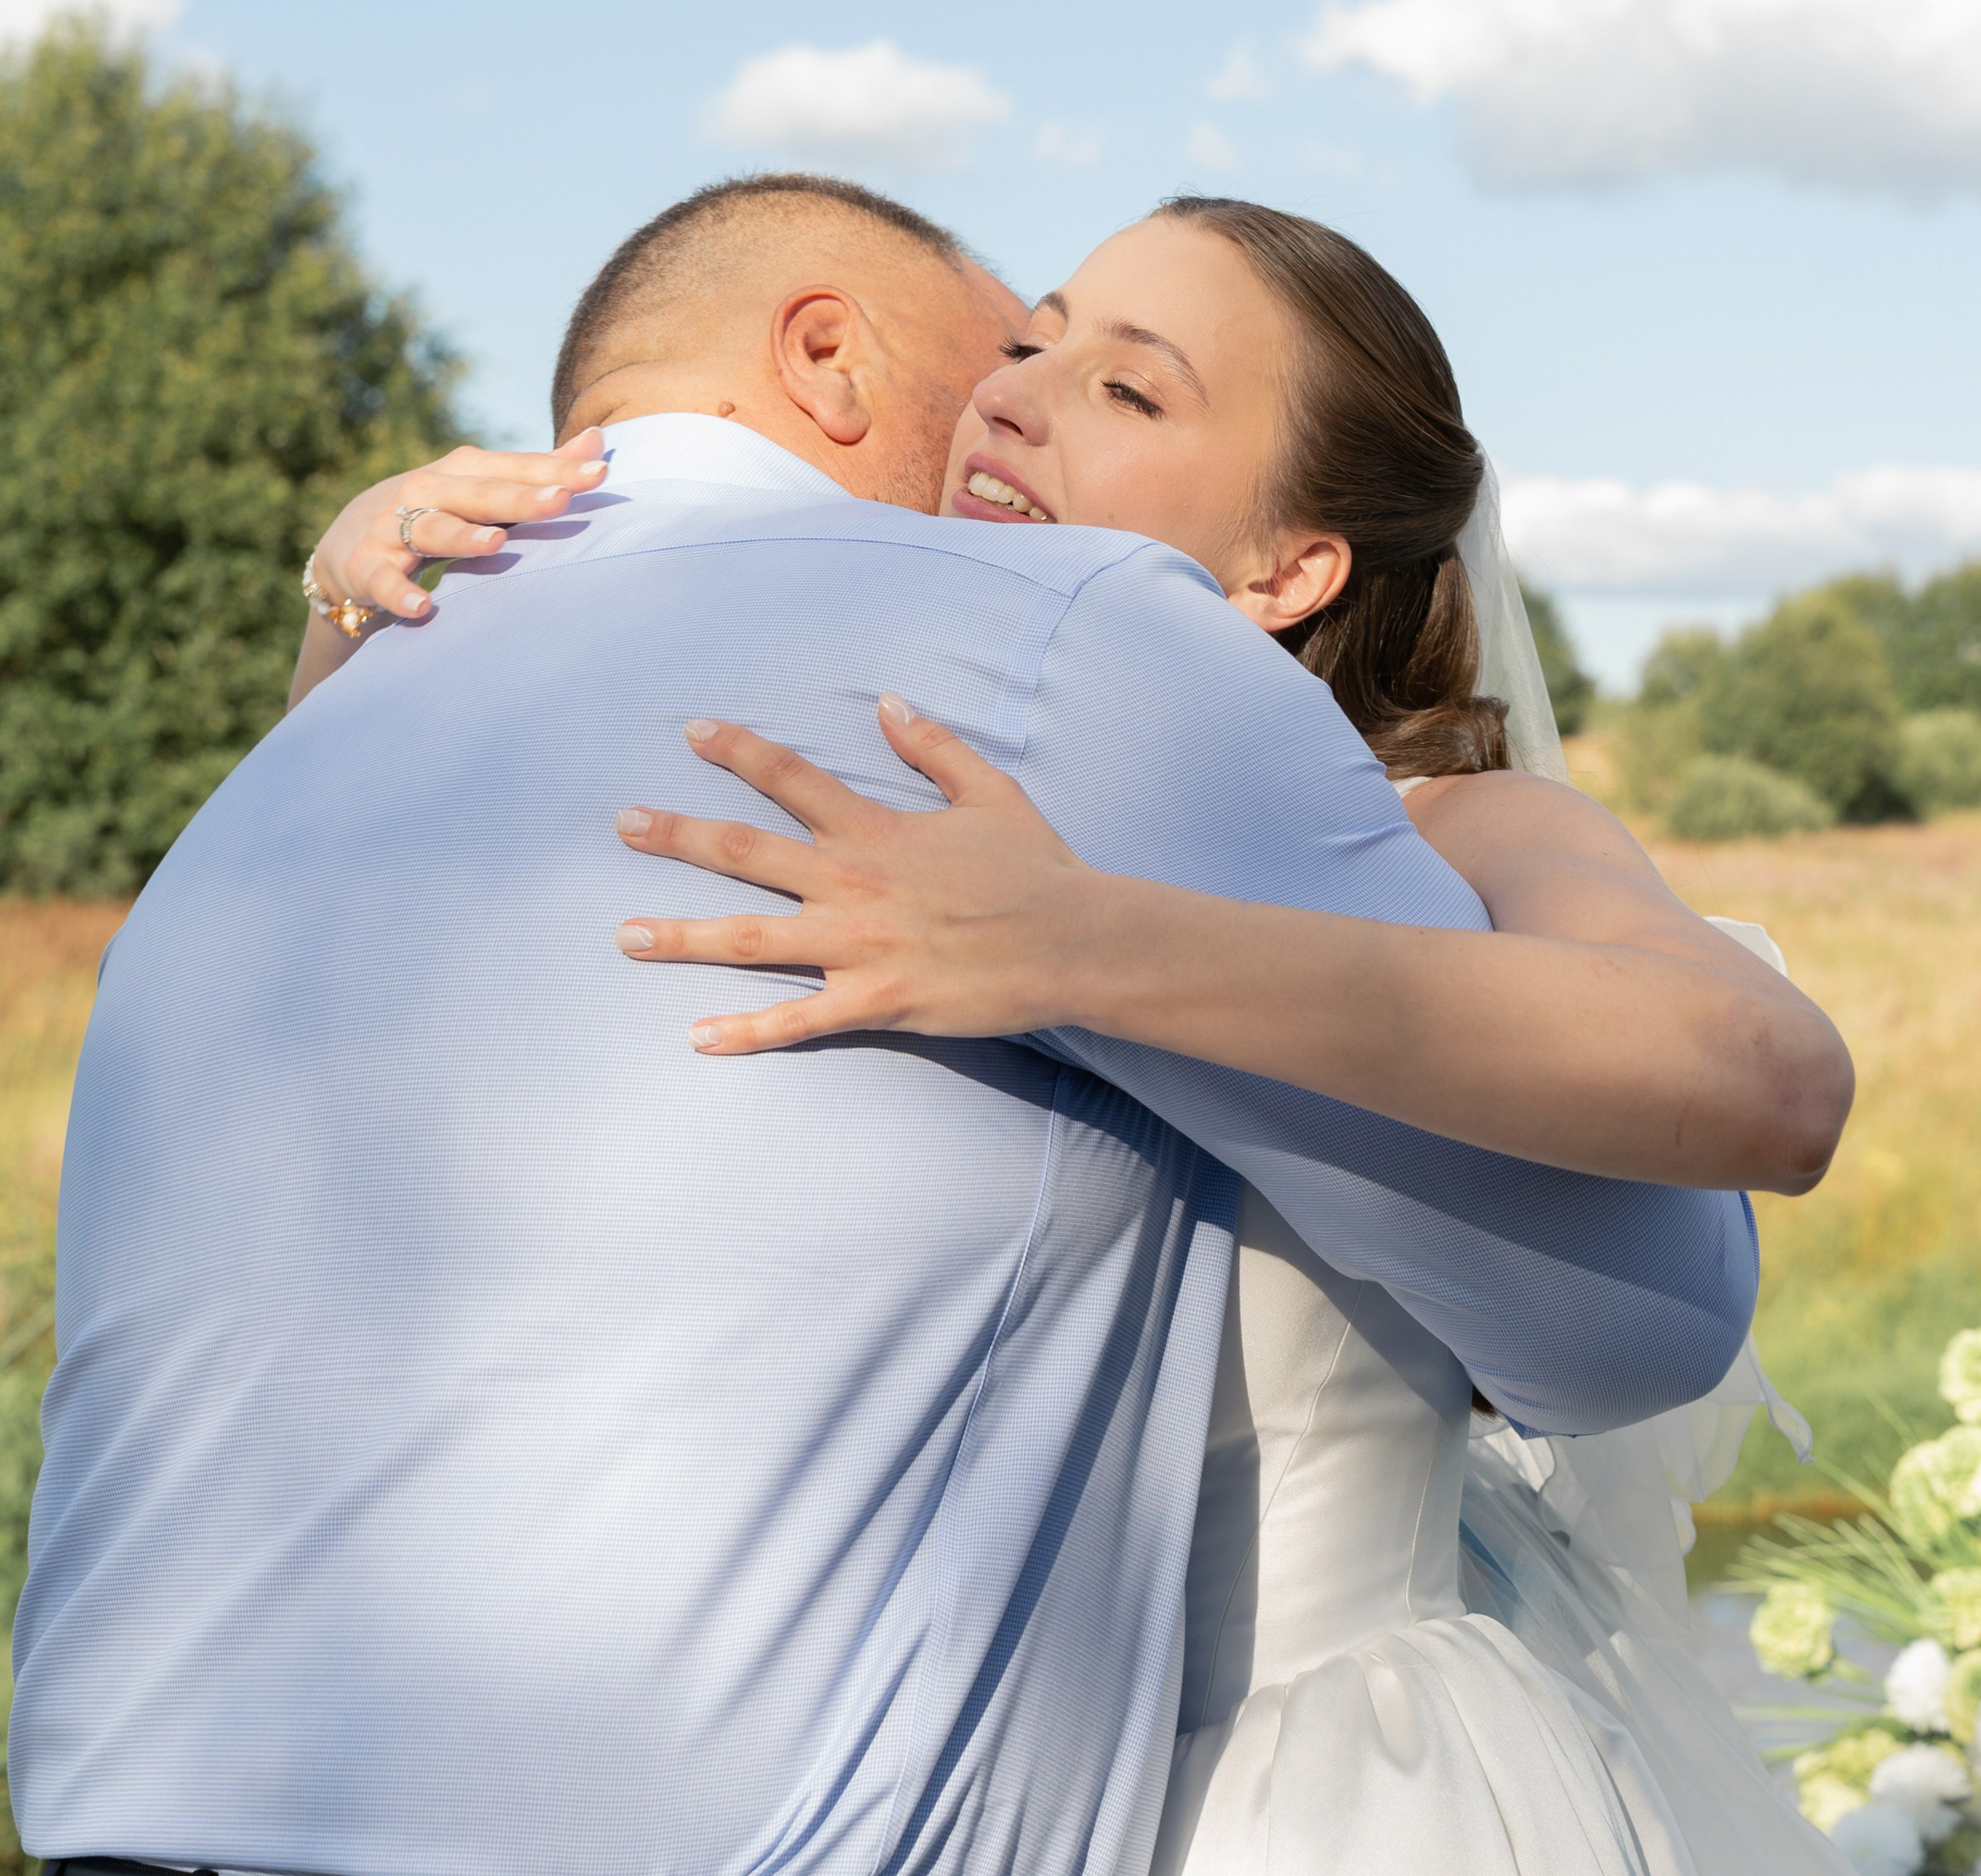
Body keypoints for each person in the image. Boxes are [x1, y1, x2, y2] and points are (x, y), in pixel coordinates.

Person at [15, 174, 1763, 1876]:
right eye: (1021, 344)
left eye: (1121, 381)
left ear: (1291, 563)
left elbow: (1733, 1110)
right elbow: (1633, 1312)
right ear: (826, 354)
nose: (1011, 400)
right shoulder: (1008, 675)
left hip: (1308, 1783)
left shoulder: (361, 735)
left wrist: (1089, 945)